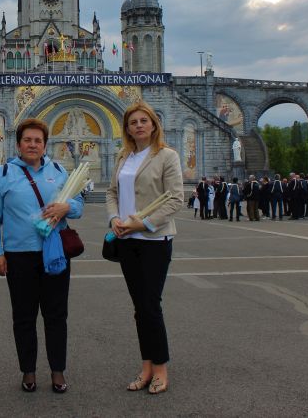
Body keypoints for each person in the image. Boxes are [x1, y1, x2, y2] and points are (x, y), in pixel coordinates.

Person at [0, 118, 83, 394]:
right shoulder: (3, 174)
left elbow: (77, 205)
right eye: (27, 140)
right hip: (18, 256)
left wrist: (67, 208)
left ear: (44, 145)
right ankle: (28, 370)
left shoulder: (58, 170)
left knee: (56, 315)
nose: (33, 144)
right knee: (24, 316)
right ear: (18, 144)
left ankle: (57, 371)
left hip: (53, 253)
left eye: (38, 141)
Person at [106, 101, 184, 396]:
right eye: (132, 122)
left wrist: (144, 224)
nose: (138, 126)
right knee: (140, 309)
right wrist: (114, 217)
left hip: (154, 240)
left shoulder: (167, 156)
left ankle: (161, 368)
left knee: (151, 306)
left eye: (143, 121)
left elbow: (176, 199)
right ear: (126, 128)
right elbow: (113, 192)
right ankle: (146, 366)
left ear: (153, 125)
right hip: (127, 242)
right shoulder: (123, 156)